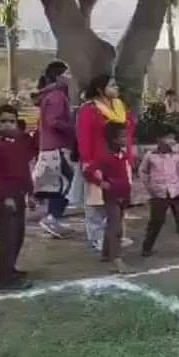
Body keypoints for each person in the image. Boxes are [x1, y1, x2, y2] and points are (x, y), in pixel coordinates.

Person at [76, 73, 136, 253]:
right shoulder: (88, 109)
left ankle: (116, 234)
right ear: (100, 89)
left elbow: (128, 133)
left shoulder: (120, 106)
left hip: (119, 159)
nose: (116, 88)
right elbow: (83, 136)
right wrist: (87, 160)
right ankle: (97, 237)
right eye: (112, 85)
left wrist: (129, 156)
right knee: (96, 202)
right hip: (98, 160)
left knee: (120, 198)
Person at [0, 105, 33, 291]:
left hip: (20, 193)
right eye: (3, 121)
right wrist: (5, 197)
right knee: (7, 238)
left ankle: (11, 269)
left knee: (18, 236)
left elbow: (24, 169)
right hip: (6, 196)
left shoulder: (19, 142)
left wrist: (31, 192)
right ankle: (5, 279)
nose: (7, 125)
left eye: (11, 121)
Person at [139, 124, 179, 260]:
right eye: (168, 138)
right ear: (159, 139)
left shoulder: (176, 156)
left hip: (177, 193)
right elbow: (143, 172)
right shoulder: (150, 156)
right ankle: (147, 247)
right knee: (156, 221)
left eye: (173, 138)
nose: (172, 141)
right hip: (159, 194)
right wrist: (150, 188)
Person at [31, 60, 75, 238]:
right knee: (67, 184)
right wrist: (73, 127)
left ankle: (52, 218)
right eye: (68, 73)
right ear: (59, 77)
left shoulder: (50, 95)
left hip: (50, 146)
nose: (70, 77)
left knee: (58, 184)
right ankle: (52, 217)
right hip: (57, 147)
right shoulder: (57, 96)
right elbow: (53, 121)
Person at [91, 122, 132, 270]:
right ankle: (116, 259)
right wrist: (101, 183)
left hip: (123, 193)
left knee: (113, 225)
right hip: (112, 195)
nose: (126, 138)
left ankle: (106, 253)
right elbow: (89, 171)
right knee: (116, 228)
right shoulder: (104, 156)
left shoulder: (122, 153)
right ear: (114, 139)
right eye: (123, 136)